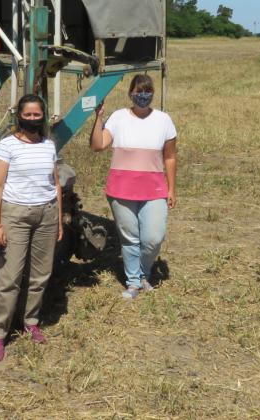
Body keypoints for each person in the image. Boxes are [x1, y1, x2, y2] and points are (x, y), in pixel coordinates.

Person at [0, 94, 62, 362]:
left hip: (46, 214)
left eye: (36, 115)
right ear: (19, 116)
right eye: (27, 115)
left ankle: (31, 321)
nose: (32, 119)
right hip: (15, 215)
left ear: (43, 117)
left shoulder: (48, 145)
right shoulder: (7, 145)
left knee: (40, 275)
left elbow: (55, 183)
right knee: (9, 277)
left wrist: (58, 219)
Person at [89, 74, 177, 300]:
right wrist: (98, 118)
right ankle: (134, 282)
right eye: (139, 91)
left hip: (154, 190)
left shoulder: (164, 120)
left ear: (153, 93)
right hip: (121, 190)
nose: (143, 95)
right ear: (130, 93)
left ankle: (144, 272)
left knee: (153, 238)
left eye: (147, 91)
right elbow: (98, 145)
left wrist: (171, 189)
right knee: (130, 239)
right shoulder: (118, 117)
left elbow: (170, 157)